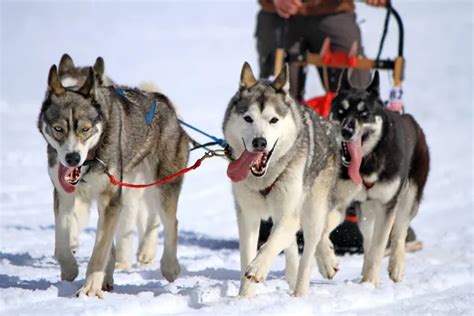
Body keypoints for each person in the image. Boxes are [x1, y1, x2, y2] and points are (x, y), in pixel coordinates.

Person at [254, 0, 419, 255]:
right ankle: (275, 211)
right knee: (274, 112)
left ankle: (359, 210)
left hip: (334, 11)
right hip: (278, 15)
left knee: (357, 103)